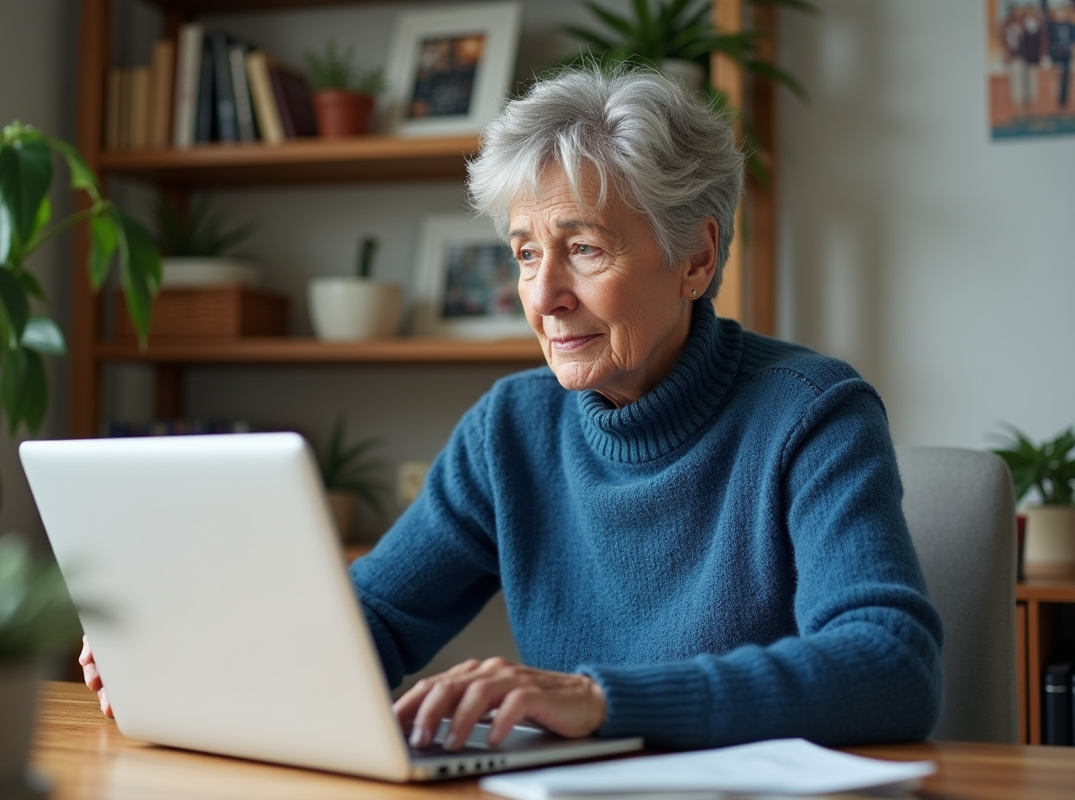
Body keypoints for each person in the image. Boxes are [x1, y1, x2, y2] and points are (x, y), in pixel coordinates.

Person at [82, 66, 943, 753]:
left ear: (695, 256)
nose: (544, 297)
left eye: (582, 248)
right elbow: (375, 620)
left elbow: (891, 663)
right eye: (527, 254)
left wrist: (600, 699)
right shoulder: (512, 429)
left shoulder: (812, 415)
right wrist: (191, 668)